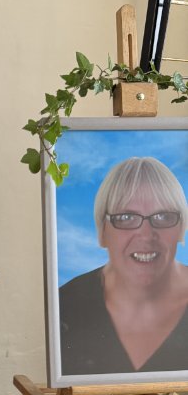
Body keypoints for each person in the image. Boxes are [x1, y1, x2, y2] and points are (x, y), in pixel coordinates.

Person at [59, 156, 188, 376]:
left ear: (181, 228)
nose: (146, 235)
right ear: (102, 231)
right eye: (126, 217)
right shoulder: (64, 305)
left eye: (163, 216)